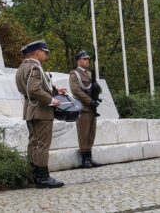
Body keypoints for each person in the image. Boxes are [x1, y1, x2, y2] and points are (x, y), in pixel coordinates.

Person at [15, 40, 68, 187]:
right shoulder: (35, 68)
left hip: (31, 109)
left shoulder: (23, 67)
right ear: (37, 52)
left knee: (34, 143)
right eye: (44, 52)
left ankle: (33, 174)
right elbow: (34, 89)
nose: (46, 55)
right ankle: (43, 177)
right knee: (42, 144)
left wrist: (56, 91)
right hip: (41, 111)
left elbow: (33, 87)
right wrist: (52, 100)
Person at [69, 50, 102, 168]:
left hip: (92, 109)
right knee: (84, 134)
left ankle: (90, 157)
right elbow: (76, 91)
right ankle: (84, 159)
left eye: (88, 59)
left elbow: (95, 88)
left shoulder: (88, 74)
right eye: (85, 59)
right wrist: (90, 101)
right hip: (83, 108)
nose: (87, 61)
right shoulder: (74, 74)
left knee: (91, 134)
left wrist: (95, 97)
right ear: (78, 61)